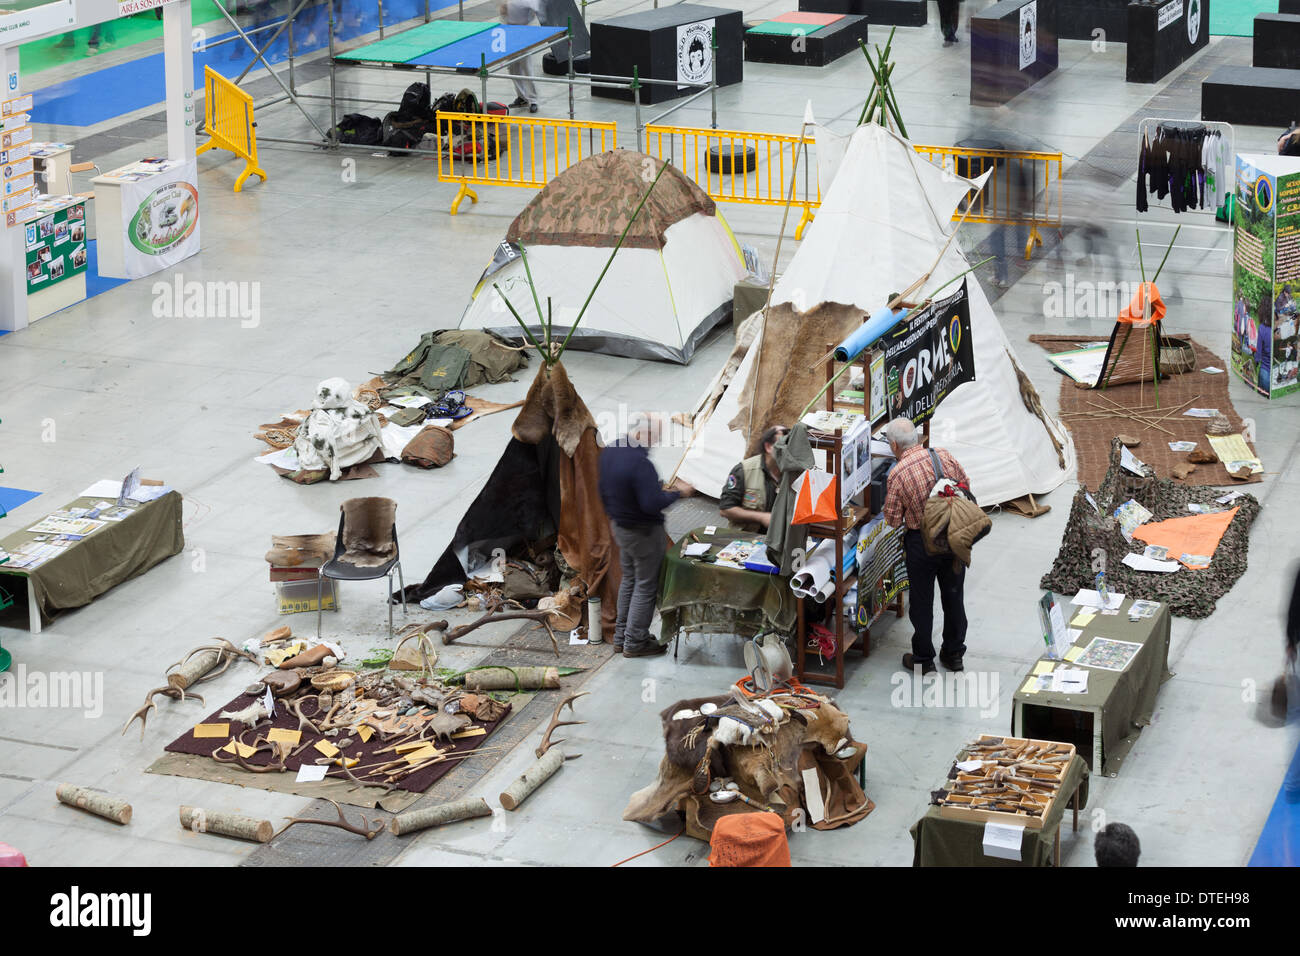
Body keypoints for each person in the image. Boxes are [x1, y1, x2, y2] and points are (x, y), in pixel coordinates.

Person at [598, 414, 695, 658]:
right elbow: (651, 504)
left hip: (620, 527)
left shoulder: (611, 450)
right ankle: (636, 641)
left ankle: (621, 637)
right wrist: (677, 493)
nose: (654, 444)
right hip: (643, 532)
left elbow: (603, 489)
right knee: (645, 585)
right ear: (640, 433)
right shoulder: (640, 463)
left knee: (629, 580)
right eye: (653, 437)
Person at [881, 417, 970, 674]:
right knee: (954, 596)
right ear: (918, 439)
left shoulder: (898, 473)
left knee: (921, 602)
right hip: (954, 535)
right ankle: (954, 655)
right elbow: (966, 484)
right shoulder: (943, 455)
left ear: (895, 445)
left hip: (922, 543)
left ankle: (923, 659)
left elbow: (893, 519)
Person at [719, 425, 787, 531]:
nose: (787, 450)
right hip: (746, 539)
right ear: (768, 447)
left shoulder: (794, 473)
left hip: (779, 539)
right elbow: (725, 509)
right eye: (783, 445)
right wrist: (761, 517)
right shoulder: (743, 471)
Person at [500, 0, 543, 113]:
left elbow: (537, 10)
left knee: (527, 68)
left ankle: (533, 100)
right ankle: (522, 97)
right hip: (509, 31)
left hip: (523, 31)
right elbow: (503, 10)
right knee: (512, 67)